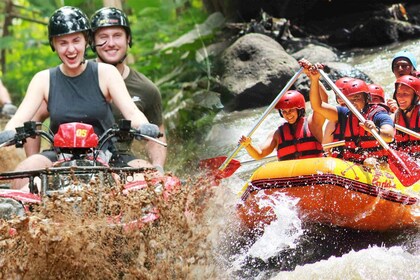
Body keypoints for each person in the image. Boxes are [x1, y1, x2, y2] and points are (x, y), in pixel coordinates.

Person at [0, 6, 159, 191]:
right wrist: (8, 132)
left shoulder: (106, 73)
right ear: (54, 45)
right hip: (59, 155)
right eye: (63, 42)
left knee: (150, 181)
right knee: (25, 171)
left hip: (106, 153)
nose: (71, 49)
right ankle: (27, 217)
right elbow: (20, 117)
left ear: (86, 40)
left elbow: (132, 111)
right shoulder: (43, 79)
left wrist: (145, 126)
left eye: (76, 40)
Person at [90, 7, 166, 174]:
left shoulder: (146, 89)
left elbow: (156, 135)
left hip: (121, 158)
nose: (111, 43)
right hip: (73, 157)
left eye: (117, 36)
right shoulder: (75, 76)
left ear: (128, 39)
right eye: (103, 37)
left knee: (149, 179)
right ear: (92, 42)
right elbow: (36, 119)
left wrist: (158, 167)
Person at [302, 60, 395, 165]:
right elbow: (317, 106)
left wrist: (375, 129)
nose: (353, 102)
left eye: (357, 97)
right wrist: (314, 79)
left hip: (378, 164)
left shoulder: (378, 114)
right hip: (353, 165)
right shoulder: (343, 114)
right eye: (349, 99)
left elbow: (390, 136)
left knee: (369, 162)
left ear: (367, 98)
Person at [238, 90, 324, 161]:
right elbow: (259, 154)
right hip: (291, 176)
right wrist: (248, 145)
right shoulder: (277, 134)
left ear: (300, 110)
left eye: (291, 110)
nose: (288, 114)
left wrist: (314, 78)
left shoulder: (313, 124)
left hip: (313, 172)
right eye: (284, 111)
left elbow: (322, 103)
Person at [389, 75, 420, 156]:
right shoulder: (394, 118)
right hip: (409, 163)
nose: (400, 98)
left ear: (416, 97)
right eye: (398, 93)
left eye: (405, 94)